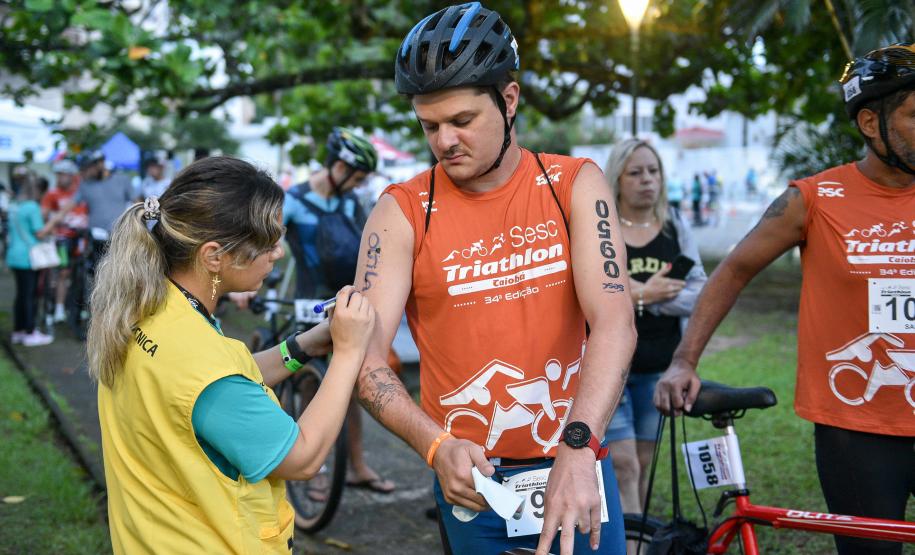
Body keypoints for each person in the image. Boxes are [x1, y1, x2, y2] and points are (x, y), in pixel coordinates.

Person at [352, 4, 635, 554]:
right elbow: (363, 361)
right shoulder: (402, 210)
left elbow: (615, 324)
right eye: (429, 125)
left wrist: (578, 451)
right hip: (473, 483)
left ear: (509, 100)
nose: (444, 142)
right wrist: (435, 447)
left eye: (461, 121)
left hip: (577, 454)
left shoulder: (574, 184)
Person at [653, 43, 915, 555]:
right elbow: (732, 272)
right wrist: (684, 360)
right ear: (869, 121)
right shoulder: (813, 198)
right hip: (856, 431)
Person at [89, 156, 375, 553]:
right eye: (267, 243)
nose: (277, 254)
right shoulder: (203, 365)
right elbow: (303, 459)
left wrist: (304, 345)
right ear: (213, 256)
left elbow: (216, 390)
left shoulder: (151, 308)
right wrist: (349, 351)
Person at [602, 138, 706, 534]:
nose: (647, 180)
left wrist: (637, 295)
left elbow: (699, 292)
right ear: (618, 178)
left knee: (644, 465)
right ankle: (630, 546)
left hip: (659, 368)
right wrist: (646, 293)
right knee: (623, 464)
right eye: (636, 172)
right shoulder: (602, 228)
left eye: (653, 171)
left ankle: (636, 540)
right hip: (612, 368)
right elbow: (591, 293)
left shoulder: (676, 225)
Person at [6, 174, 54, 346]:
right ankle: (30, 331)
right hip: (29, 257)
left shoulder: (14, 206)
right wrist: (55, 220)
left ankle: (18, 331)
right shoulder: (32, 207)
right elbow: (39, 232)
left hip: (13, 255)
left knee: (21, 295)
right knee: (30, 295)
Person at [40, 159, 88, 323]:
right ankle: (59, 308)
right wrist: (53, 226)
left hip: (82, 239)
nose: (59, 178)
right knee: (63, 273)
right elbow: (44, 215)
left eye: (62, 174)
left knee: (82, 273)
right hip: (62, 240)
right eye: (57, 174)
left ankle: (79, 307)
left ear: (71, 175)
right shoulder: (52, 194)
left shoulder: (82, 192)